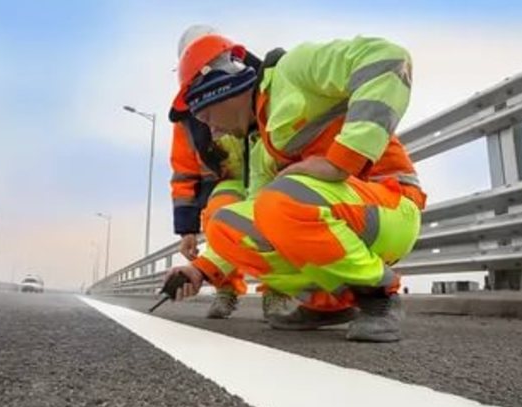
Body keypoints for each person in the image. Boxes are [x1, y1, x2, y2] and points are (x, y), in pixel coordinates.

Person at [165, 31, 426, 342]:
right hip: (339, 213)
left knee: (280, 202)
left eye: (206, 116)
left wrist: (343, 160)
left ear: (222, 88)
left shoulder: (294, 69)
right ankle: (327, 302)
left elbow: (389, 58)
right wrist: (202, 270)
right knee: (225, 224)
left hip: (391, 207)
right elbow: (259, 216)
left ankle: (379, 297)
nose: (213, 131)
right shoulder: (261, 145)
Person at [169, 26, 292, 319]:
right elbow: (184, 172)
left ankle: (277, 291)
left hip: (268, 170)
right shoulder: (186, 119)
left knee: (273, 214)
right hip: (230, 179)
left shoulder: (257, 80)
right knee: (218, 214)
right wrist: (187, 228)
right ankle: (225, 288)